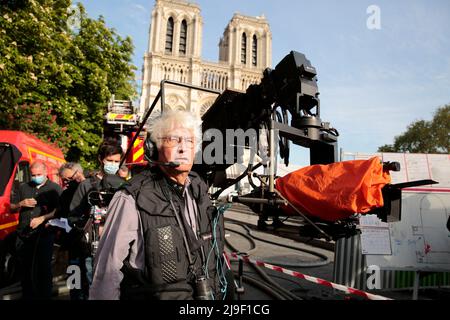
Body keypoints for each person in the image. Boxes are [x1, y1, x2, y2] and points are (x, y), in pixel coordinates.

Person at [89, 110, 227, 300]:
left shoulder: (198, 189)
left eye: (189, 141)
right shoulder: (130, 197)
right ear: (153, 148)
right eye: (173, 140)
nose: (183, 148)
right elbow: (106, 271)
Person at [67, 140, 123, 300]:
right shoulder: (87, 185)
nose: (113, 164)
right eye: (109, 161)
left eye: (116, 161)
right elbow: (72, 216)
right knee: (93, 288)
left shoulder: (123, 185)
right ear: (100, 159)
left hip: (117, 248)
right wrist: (89, 221)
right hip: (93, 248)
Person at [10, 160, 62, 299]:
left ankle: (44, 296)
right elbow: (11, 207)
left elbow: (59, 210)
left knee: (43, 269)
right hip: (24, 234)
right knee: (25, 269)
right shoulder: (23, 187)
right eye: (33, 175)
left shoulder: (55, 188)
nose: (36, 177)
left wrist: (42, 218)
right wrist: (21, 203)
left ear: (45, 172)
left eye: (39, 174)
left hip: (44, 235)